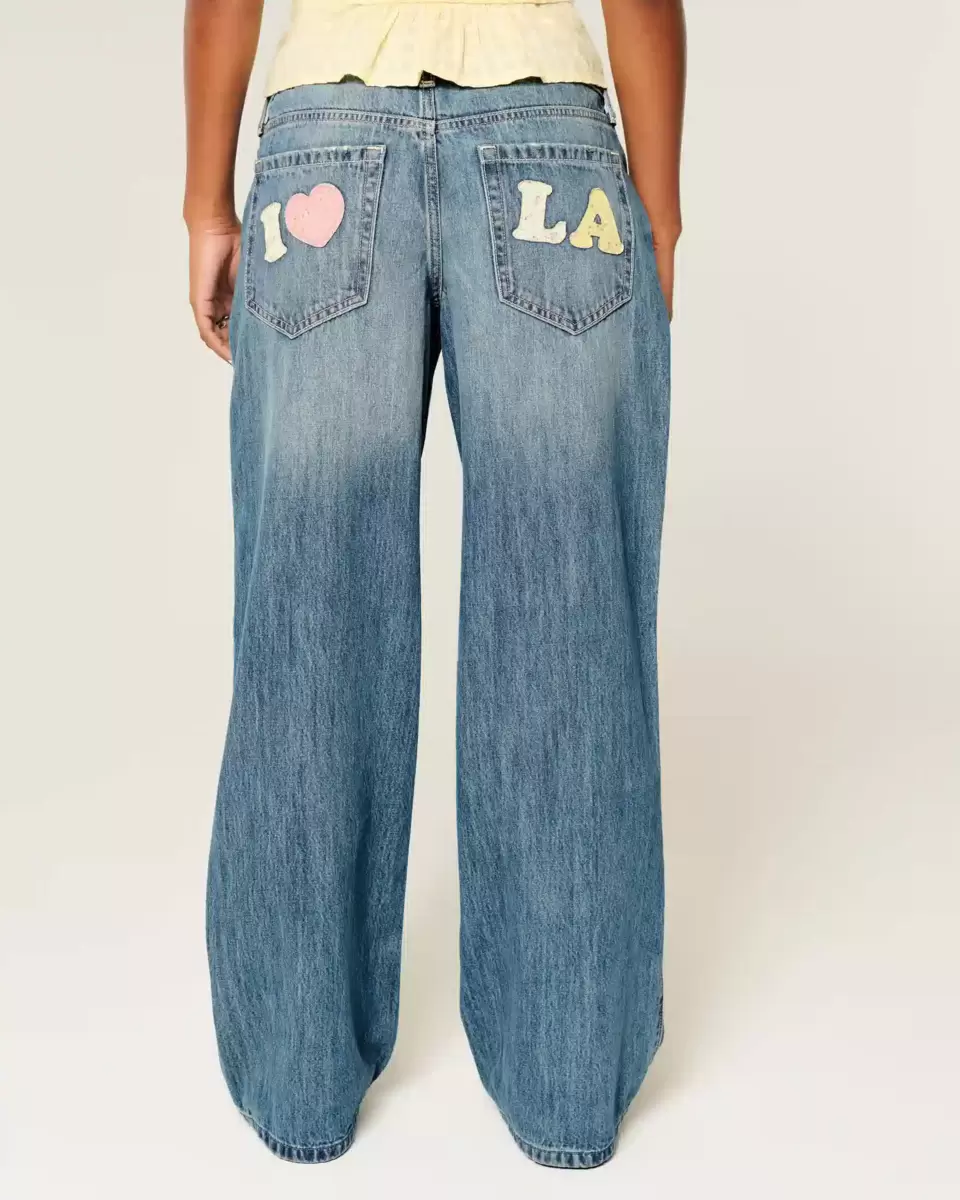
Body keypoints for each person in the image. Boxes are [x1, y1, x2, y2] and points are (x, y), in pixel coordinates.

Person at [184, 0, 684, 1169]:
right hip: (550, 144)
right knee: (570, 621)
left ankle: (297, 1075)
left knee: (308, 627)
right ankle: (569, 1078)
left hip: (324, 143)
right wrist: (658, 209)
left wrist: (207, 203)